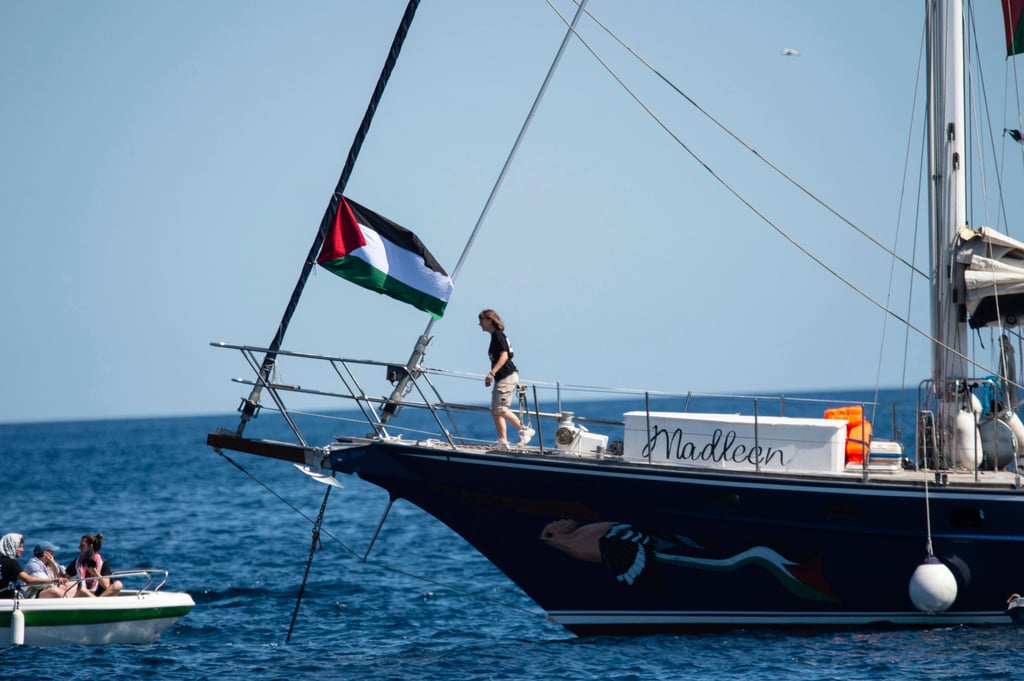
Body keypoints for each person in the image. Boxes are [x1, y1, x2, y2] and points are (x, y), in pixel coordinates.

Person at [478, 309, 534, 448]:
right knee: (496, 410)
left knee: (500, 408)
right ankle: (503, 440)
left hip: (506, 376)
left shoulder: (498, 335)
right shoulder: (495, 337)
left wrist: (492, 373)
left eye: (482, 320)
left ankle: (524, 430)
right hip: (502, 377)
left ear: (490, 320)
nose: (480, 324)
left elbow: (504, 356)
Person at [0, 533, 73, 599]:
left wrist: (53, 564)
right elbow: (28, 580)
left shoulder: (3, 562)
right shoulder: (11, 562)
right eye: (20, 547)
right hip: (7, 600)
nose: (22, 550)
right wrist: (54, 580)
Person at [66, 533, 122, 597]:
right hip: (85, 594)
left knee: (118, 584)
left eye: (82, 545)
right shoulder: (78, 562)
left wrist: (94, 571)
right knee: (78, 587)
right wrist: (53, 563)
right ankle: (95, 600)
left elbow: (106, 585)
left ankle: (96, 601)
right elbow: (65, 577)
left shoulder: (103, 563)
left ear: (90, 546)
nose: (79, 547)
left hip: (101, 595)